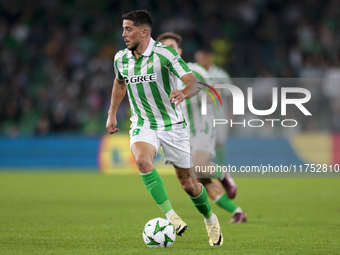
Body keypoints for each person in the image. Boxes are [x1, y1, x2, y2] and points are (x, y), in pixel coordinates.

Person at [106, 10, 223, 246]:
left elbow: (193, 81)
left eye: (128, 29)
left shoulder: (165, 54)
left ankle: (210, 219)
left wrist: (183, 92)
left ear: (144, 31)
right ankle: (172, 217)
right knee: (142, 160)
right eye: (123, 28)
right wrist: (112, 114)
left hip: (172, 125)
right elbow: (120, 82)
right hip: (143, 123)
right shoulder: (121, 58)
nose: (124, 34)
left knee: (189, 185)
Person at [157, 32, 246, 224]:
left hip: (201, 127)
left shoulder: (192, 69)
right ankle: (237, 212)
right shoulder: (159, 77)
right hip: (181, 134)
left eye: (172, 46)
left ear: (179, 51)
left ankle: (222, 173)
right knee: (196, 181)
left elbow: (211, 86)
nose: (169, 50)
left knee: (197, 168)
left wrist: (207, 95)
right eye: (164, 47)